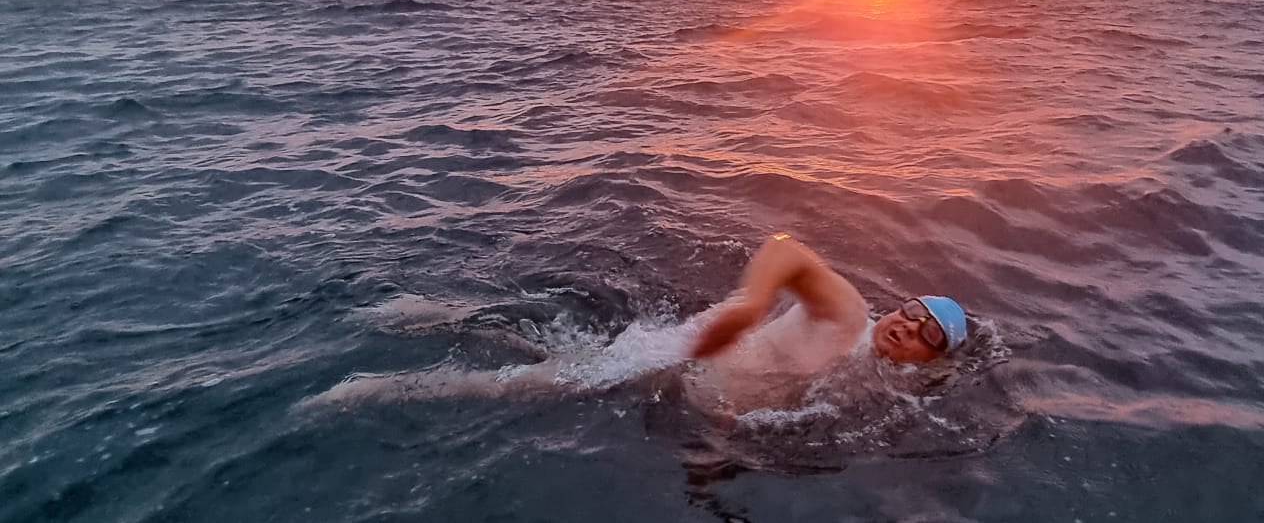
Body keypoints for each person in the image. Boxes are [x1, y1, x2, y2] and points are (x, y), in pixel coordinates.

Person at [307, 232, 969, 416]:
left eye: (922, 336)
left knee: (539, 350)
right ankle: (369, 390)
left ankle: (422, 316)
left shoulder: (886, 389)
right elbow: (788, 249)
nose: (905, 329)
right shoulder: (851, 313)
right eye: (909, 314)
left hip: (683, 382)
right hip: (679, 356)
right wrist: (745, 306)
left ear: (929, 360)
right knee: (526, 385)